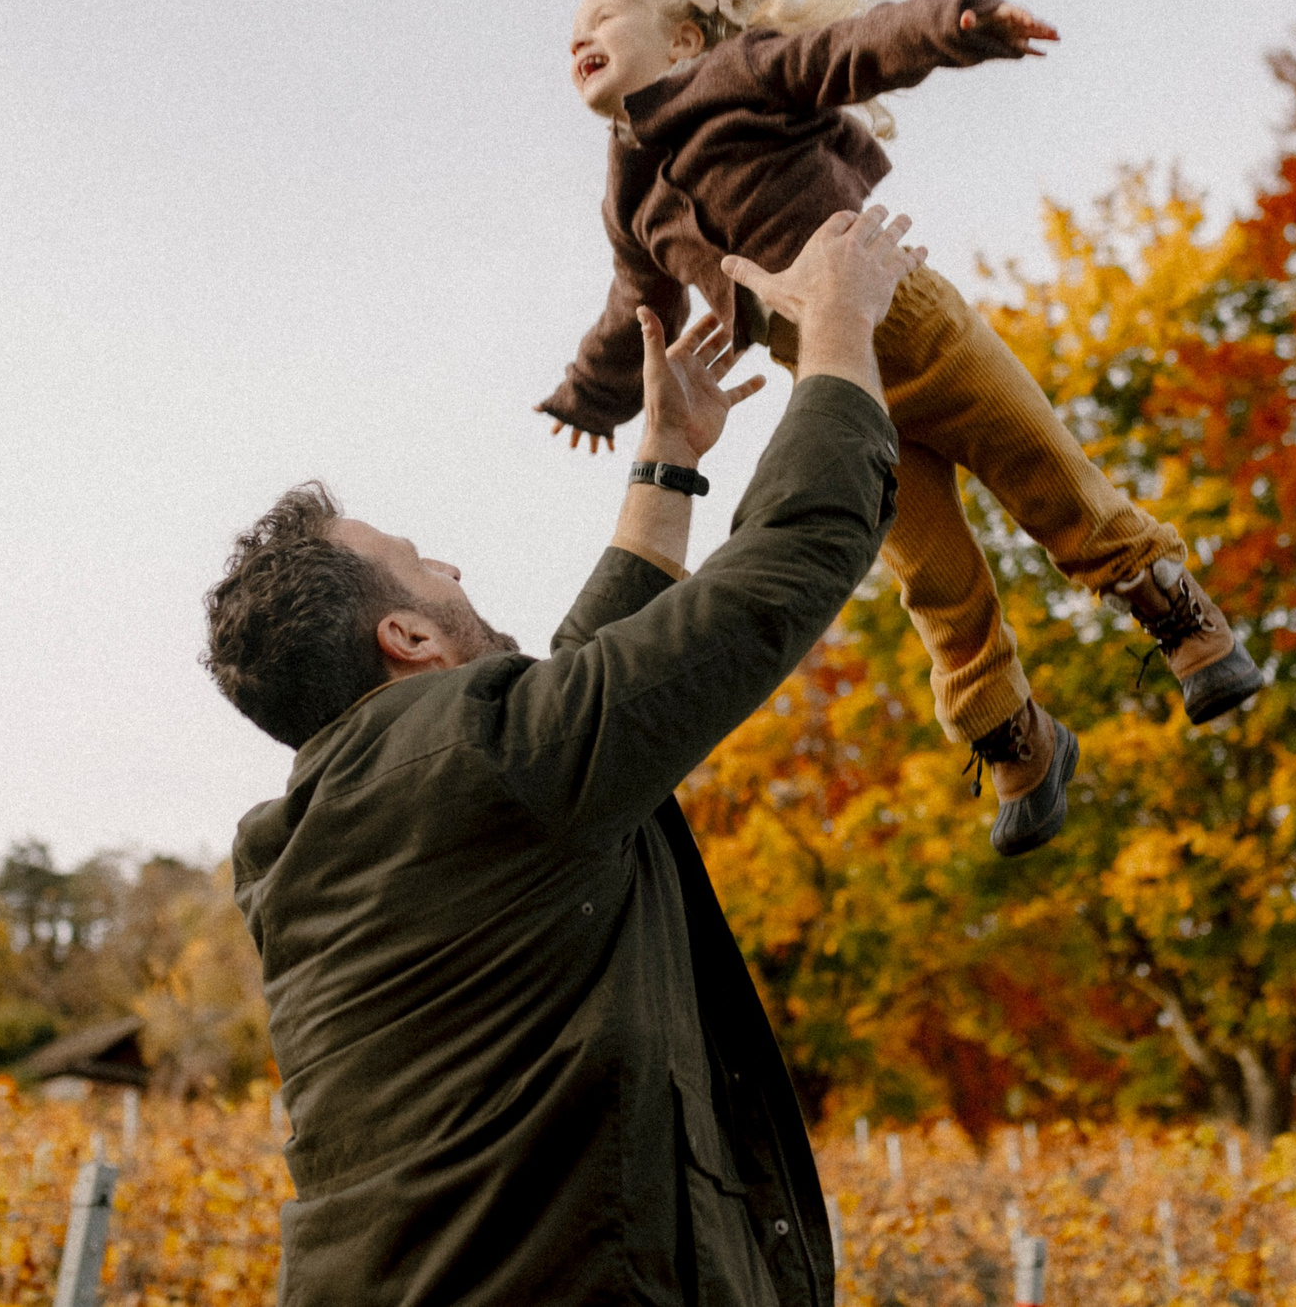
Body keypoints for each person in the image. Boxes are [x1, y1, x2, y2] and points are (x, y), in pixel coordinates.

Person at [206, 205, 925, 1306]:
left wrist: (669, 458)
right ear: (405, 637)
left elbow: (581, 700)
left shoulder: (357, 819)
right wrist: (837, 328)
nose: (448, 564)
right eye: (419, 565)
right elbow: (782, 568)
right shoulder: (486, 765)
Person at [540, 0, 1266, 857]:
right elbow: (634, 302)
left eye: (602, 15)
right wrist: (590, 397)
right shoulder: (629, 200)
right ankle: (1017, 738)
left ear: (681, 39)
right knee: (929, 572)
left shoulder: (739, 75)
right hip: (838, 394)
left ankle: (1179, 615)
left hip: (909, 320)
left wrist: (956, 25)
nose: (578, 36)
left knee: (1040, 470)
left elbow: (848, 51)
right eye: (570, 33)